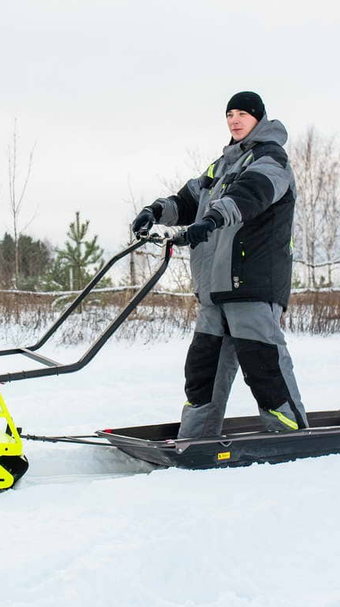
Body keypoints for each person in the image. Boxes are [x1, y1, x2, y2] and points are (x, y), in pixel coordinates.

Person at [132, 91, 308, 438]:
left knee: (264, 369)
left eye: (243, 113)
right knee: (202, 372)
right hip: (215, 289)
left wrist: (211, 220)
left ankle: (292, 437)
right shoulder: (222, 164)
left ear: (259, 118)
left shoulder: (271, 159)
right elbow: (187, 199)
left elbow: (248, 197)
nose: (235, 120)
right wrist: (155, 211)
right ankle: (195, 440)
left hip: (252, 284)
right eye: (230, 114)